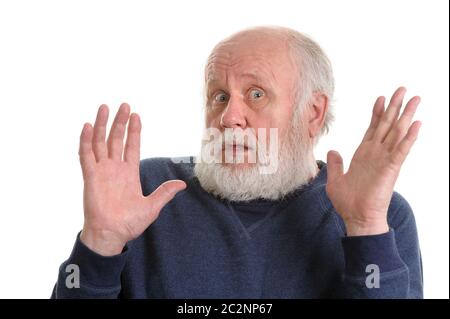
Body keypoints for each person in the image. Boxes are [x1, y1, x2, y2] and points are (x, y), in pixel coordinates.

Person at [51, 26, 423, 298]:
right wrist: (100, 243)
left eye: (256, 94)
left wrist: (365, 228)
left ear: (312, 112)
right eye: (219, 96)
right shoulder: (147, 191)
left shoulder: (381, 215)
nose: (229, 117)